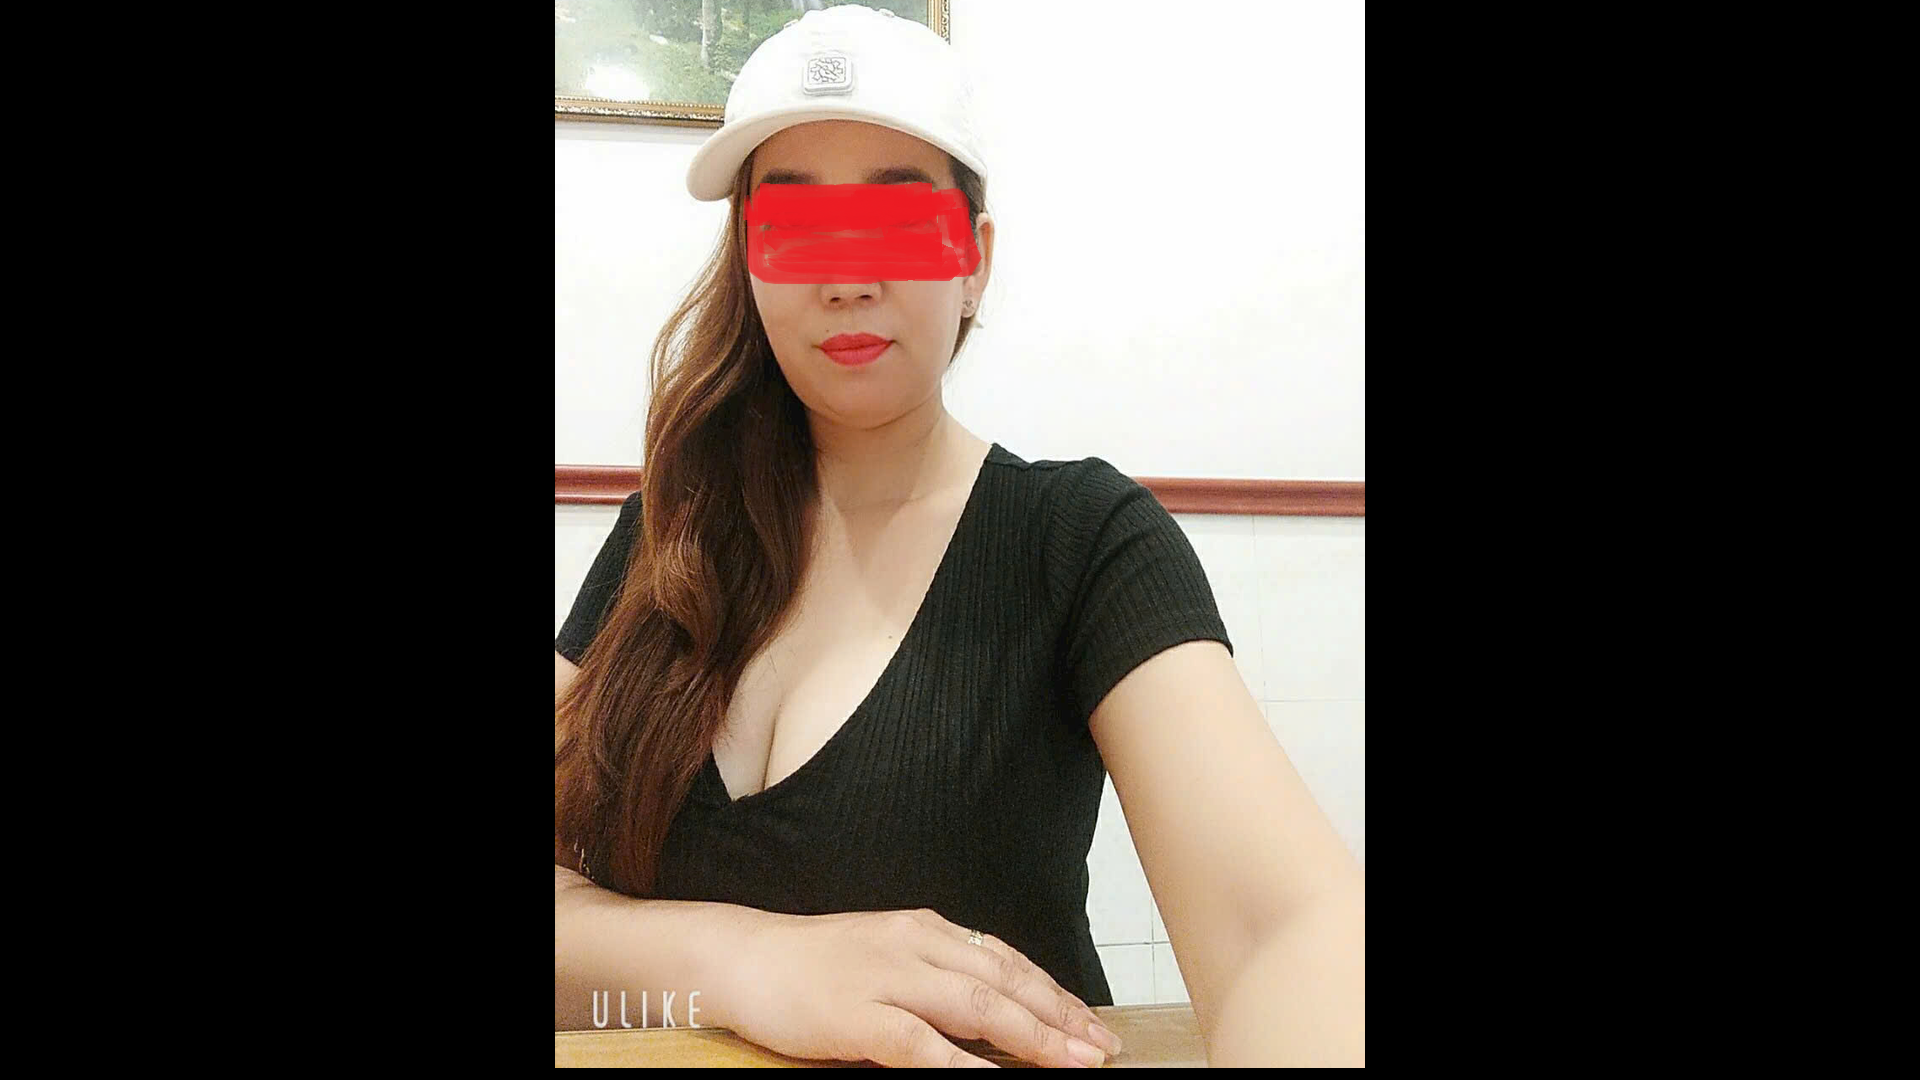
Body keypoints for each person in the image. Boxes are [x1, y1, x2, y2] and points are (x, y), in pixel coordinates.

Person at [554, 4, 1363, 1067]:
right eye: (795, 226)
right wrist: (748, 961)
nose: (847, 278)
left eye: (898, 222)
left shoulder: (1079, 541)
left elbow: (1282, 931)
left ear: (973, 260)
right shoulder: (667, 534)